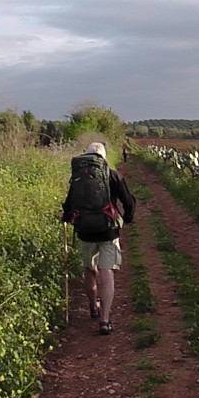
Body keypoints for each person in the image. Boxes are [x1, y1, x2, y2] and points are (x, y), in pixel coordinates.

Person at [61, 142, 136, 335]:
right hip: (108, 230)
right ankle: (105, 319)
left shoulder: (78, 176)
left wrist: (67, 217)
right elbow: (128, 202)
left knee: (89, 269)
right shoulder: (112, 174)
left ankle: (93, 306)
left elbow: (69, 204)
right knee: (107, 272)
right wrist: (127, 219)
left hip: (85, 230)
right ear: (103, 157)